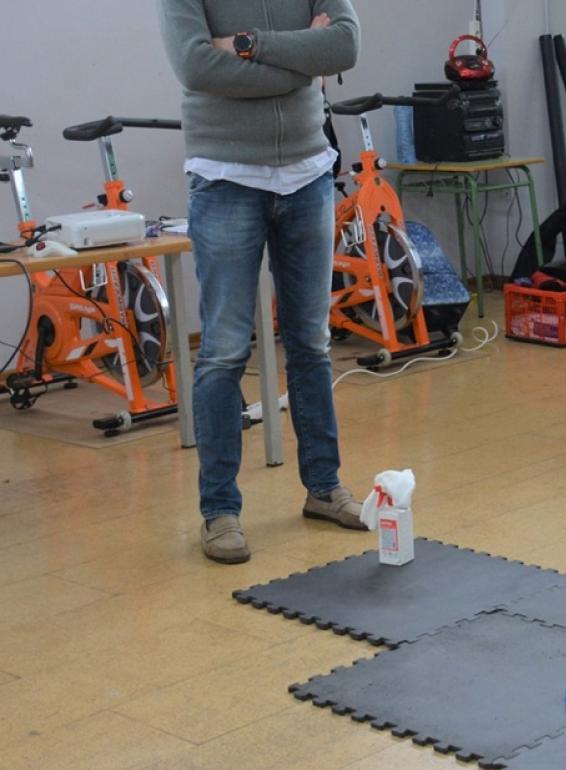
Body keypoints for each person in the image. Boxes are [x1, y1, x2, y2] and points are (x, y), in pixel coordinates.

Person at [159, 0, 366, 563]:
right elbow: (198, 67)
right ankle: (220, 511)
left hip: (308, 173)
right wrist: (303, 53)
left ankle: (324, 488)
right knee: (224, 351)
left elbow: (344, 46)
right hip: (225, 176)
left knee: (311, 343)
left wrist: (246, 44)